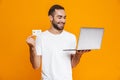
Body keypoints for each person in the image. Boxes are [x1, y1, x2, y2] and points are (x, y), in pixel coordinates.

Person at [26, 4, 91, 80]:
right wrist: (32, 47)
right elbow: (35, 66)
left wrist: (79, 54)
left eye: (64, 17)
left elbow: (72, 65)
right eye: (59, 17)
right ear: (51, 18)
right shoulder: (41, 37)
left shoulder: (71, 37)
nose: (63, 21)